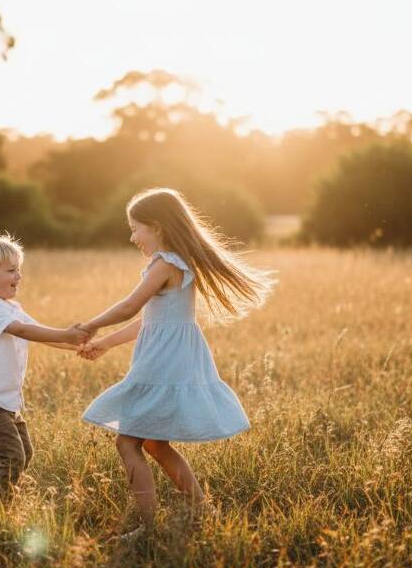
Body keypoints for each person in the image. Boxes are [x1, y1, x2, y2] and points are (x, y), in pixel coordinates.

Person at [76, 188, 276, 539]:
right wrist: (105, 343)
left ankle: (149, 528)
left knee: (127, 443)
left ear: (157, 227)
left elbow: (129, 307)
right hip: (171, 358)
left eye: (136, 228)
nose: (132, 236)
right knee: (154, 442)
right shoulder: (177, 263)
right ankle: (202, 510)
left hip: (163, 363)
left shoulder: (165, 264)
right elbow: (149, 321)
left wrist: (91, 324)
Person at [0, 233, 89, 504]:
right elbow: (25, 331)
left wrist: (77, 346)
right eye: (11, 270)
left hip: (5, 400)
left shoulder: (9, 307)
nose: (19, 275)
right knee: (13, 456)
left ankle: (1, 502)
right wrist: (66, 334)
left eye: (20, 269)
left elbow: (38, 332)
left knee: (24, 453)